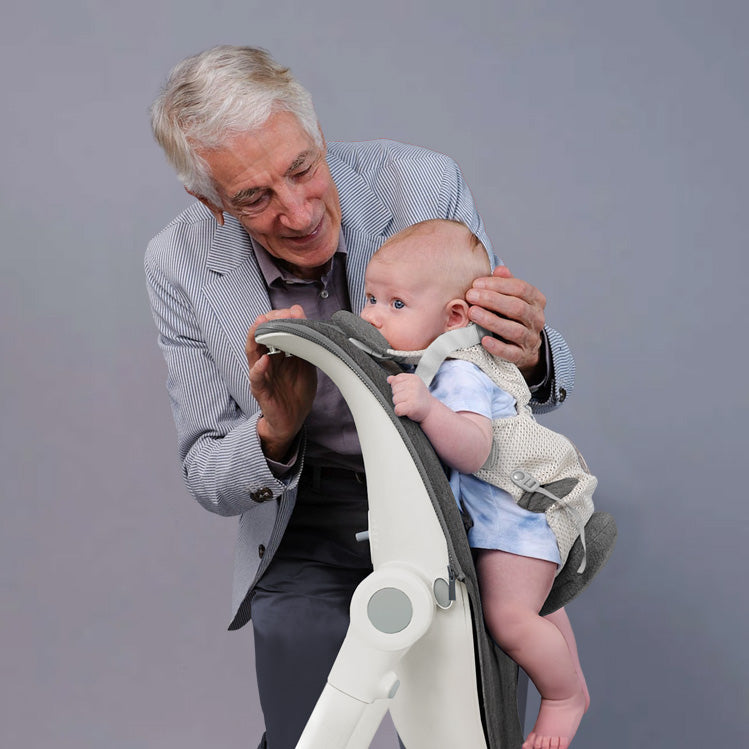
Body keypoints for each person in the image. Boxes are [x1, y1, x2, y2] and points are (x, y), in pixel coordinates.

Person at [145, 45, 576, 749]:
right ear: (210, 200)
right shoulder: (177, 263)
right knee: (309, 728)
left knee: (464, 727)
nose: (297, 213)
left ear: (317, 133)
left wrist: (528, 351)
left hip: (453, 501)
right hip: (307, 520)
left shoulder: (420, 184)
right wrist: (274, 430)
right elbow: (206, 473)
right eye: (253, 198)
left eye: (302, 169)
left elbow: (502, 374)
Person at [360, 218, 594, 749]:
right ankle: (569, 680)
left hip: (521, 516)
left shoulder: (460, 371)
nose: (373, 315)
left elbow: (474, 449)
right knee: (535, 605)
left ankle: (564, 696)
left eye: (396, 304)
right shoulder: (442, 364)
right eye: (371, 298)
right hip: (515, 516)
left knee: (508, 618)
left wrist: (427, 409)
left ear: (454, 318)